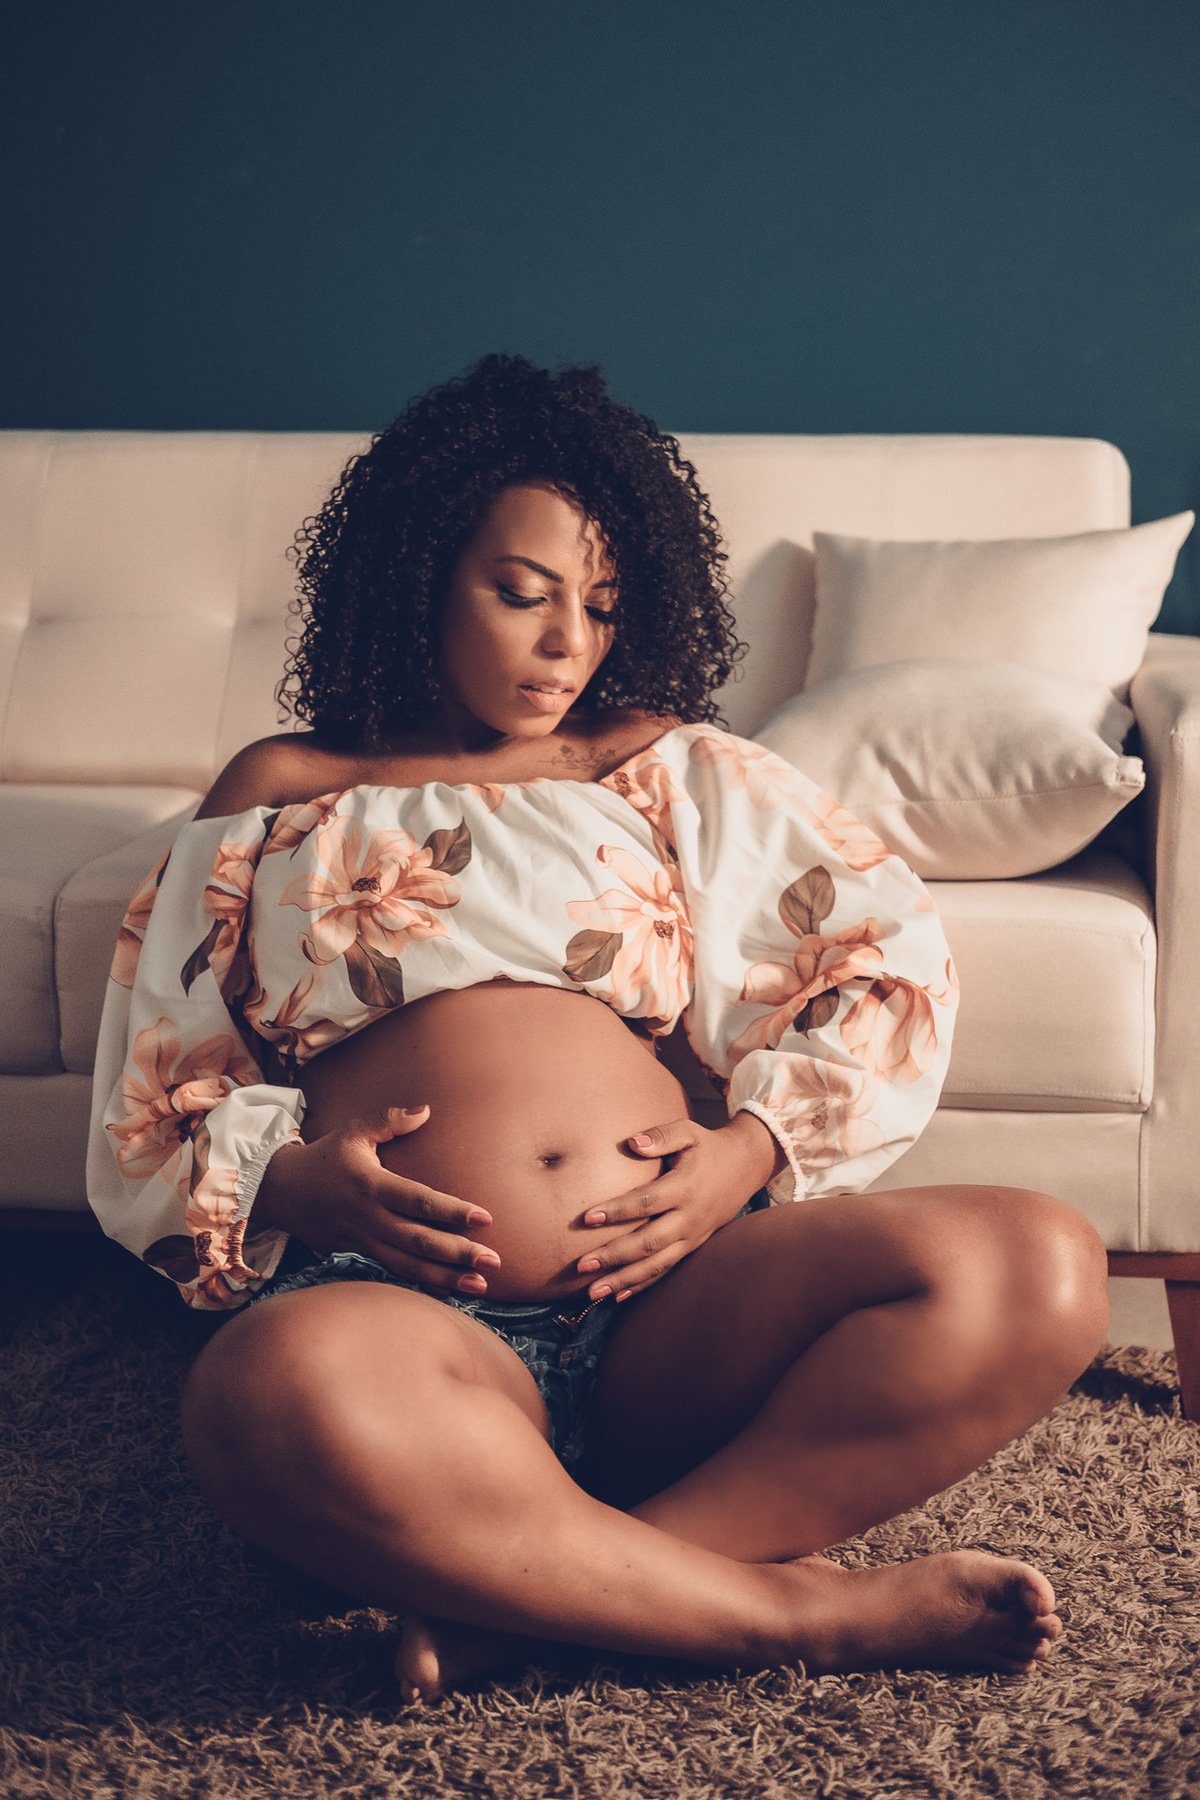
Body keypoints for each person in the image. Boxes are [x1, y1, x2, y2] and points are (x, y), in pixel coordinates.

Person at [87, 354, 1109, 1701]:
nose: (569, 640)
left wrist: (747, 1153)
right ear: (420, 575)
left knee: (1036, 1264)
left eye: (602, 606)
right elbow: (152, 1089)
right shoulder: (281, 791)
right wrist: (289, 1177)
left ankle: (544, 1602)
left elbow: (885, 954)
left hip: (672, 1316)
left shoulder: (659, 766)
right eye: (522, 593)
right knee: (258, 1395)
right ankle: (791, 1616)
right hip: (402, 1325)